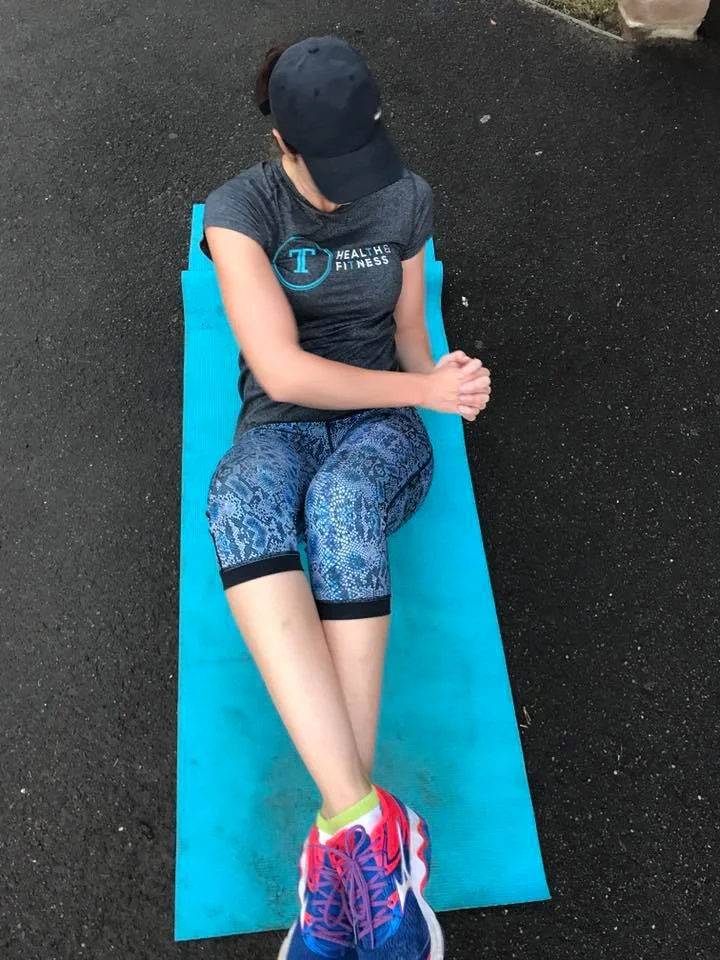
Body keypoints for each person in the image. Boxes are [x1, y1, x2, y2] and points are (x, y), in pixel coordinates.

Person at [201, 36, 491, 960]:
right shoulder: (238, 212)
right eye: (328, 170)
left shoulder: (406, 198)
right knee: (239, 496)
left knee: (340, 505)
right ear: (281, 142)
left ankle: (346, 845)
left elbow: (408, 334)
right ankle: (367, 838)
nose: (348, 191)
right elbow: (283, 369)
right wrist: (422, 389)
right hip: (281, 423)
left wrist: (443, 376)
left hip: (381, 434)